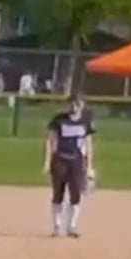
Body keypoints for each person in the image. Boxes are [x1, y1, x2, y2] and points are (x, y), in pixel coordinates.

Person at [42, 94, 96, 239]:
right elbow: (49, 140)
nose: (74, 107)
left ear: (82, 106)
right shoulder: (59, 120)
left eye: (77, 104)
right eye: (72, 103)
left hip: (76, 161)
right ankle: (56, 226)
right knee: (57, 194)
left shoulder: (85, 122)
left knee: (75, 194)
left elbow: (88, 144)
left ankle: (71, 227)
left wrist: (90, 166)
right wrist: (47, 161)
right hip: (60, 160)